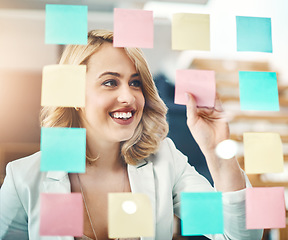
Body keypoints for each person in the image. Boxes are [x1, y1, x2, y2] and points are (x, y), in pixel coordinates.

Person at [0, 30, 263, 240]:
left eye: (135, 83)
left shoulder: (165, 162)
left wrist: (217, 147)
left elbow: (239, 235)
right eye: (110, 82)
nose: (128, 97)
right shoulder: (24, 177)